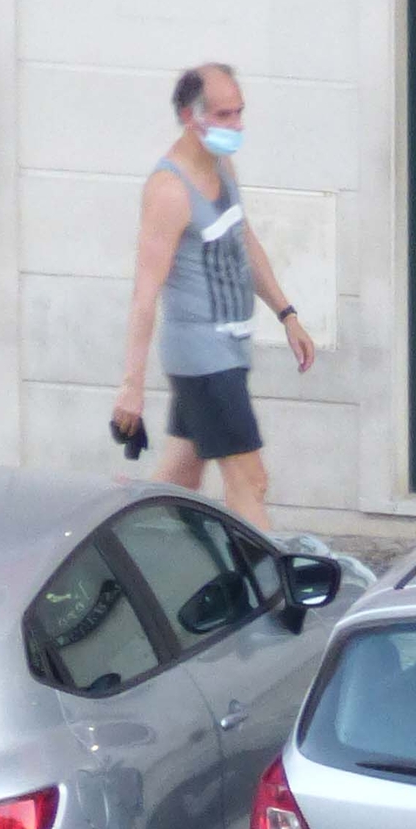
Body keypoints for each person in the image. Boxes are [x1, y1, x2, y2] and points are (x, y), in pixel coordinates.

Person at [112, 63, 313, 532]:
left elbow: (243, 240)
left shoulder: (223, 166)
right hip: (203, 360)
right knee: (250, 483)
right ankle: (271, 592)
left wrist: (287, 314)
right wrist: (132, 387)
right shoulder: (169, 190)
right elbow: (145, 295)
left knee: (179, 483)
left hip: (229, 350)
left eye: (239, 112)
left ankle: (118, 556)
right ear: (190, 116)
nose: (236, 125)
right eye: (224, 115)